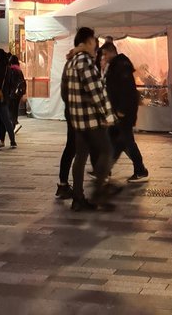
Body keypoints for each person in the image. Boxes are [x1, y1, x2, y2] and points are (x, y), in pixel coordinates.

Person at [62, 27, 116, 211]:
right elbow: (95, 91)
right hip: (90, 119)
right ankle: (99, 192)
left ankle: (78, 198)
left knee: (81, 156)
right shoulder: (84, 61)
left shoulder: (70, 62)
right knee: (107, 151)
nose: (96, 45)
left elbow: (65, 91)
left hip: (77, 119)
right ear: (87, 41)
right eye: (94, 41)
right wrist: (107, 115)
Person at [99, 41, 148, 182]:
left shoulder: (121, 66)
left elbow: (126, 90)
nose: (104, 57)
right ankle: (105, 170)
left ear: (112, 52)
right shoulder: (116, 65)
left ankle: (139, 170)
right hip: (118, 112)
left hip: (124, 112)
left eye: (105, 54)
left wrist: (121, 110)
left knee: (125, 141)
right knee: (117, 140)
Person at [7, 55, 26, 133]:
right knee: (15, 110)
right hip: (18, 93)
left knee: (10, 110)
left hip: (12, 93)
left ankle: (15, 123)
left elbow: (10, 83)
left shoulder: (12, 70)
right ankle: (14, 126)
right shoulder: (19, 70)